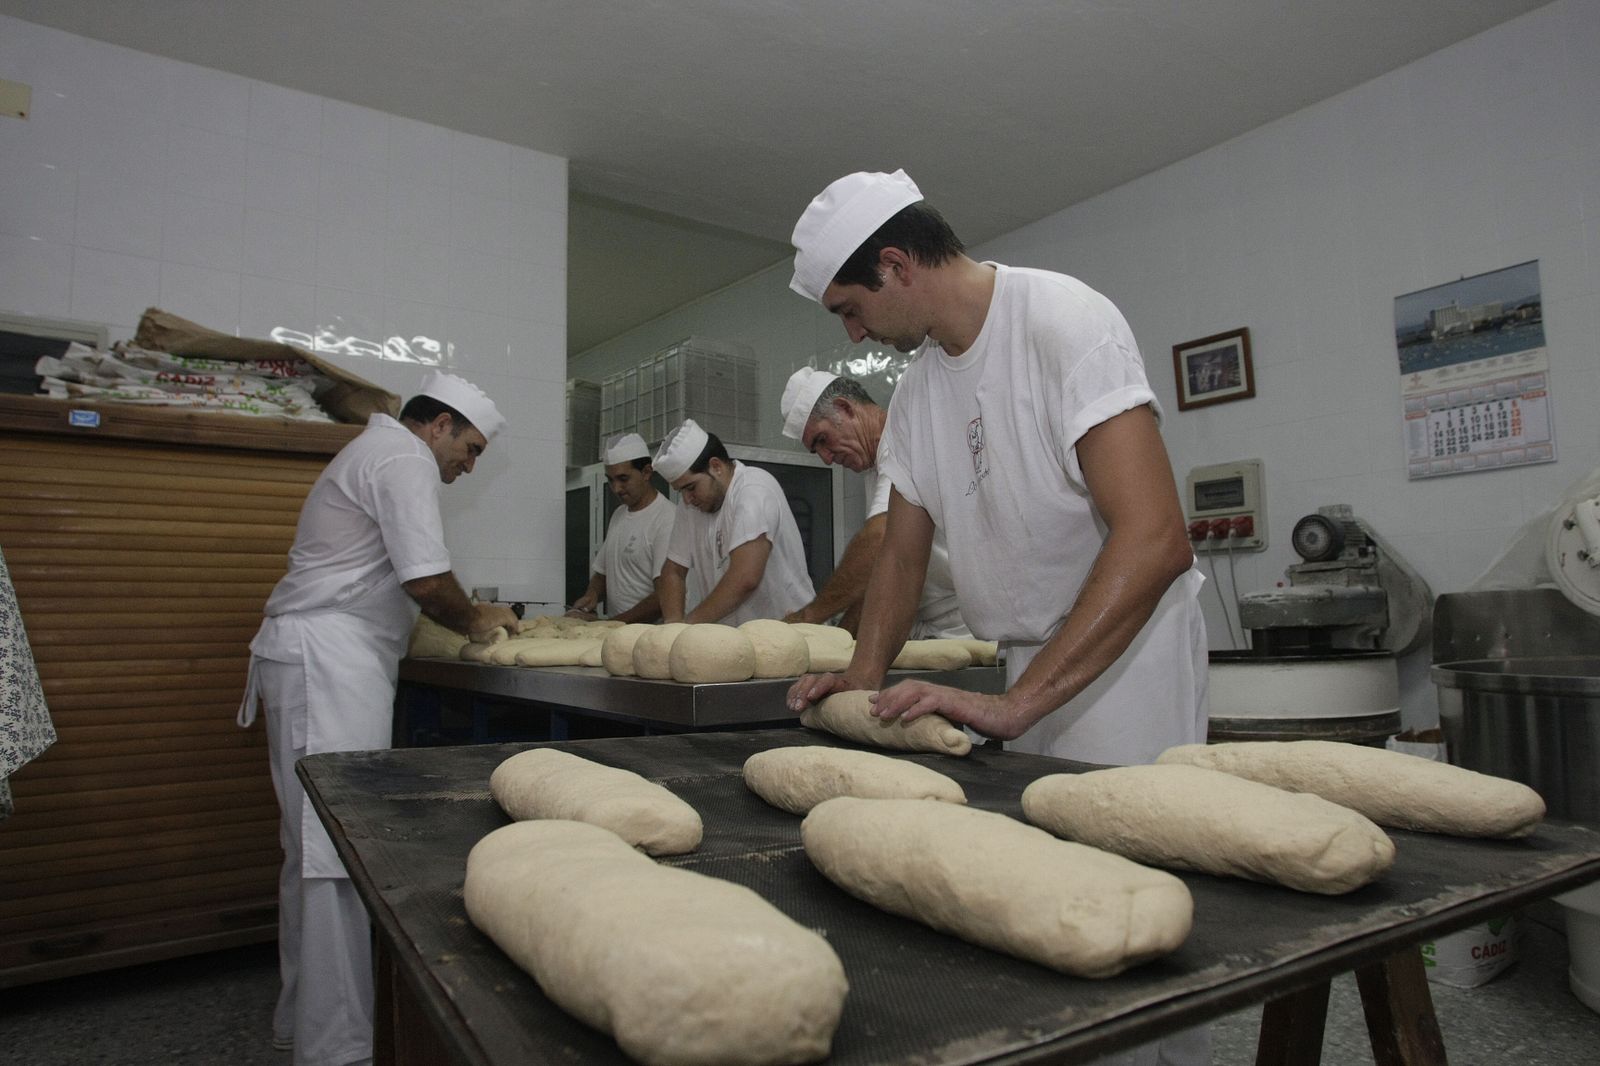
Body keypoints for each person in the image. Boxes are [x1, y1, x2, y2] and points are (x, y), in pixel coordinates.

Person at [783, 170, 1208, 1065]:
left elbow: (1155, 538)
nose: (853, 335)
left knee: (1132, 911)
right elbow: (901, 554)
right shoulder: (922, 391)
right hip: (1031, 658)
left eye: (851, 310)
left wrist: (1019, 705)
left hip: (1124, 655)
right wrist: (860, 681)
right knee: (1050, 906)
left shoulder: (1060, 321)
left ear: (895, 265)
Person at [237, 371, 518, 1066]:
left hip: (318, 660)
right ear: (439, 425)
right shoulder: (401, 457)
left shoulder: (379, 450)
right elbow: (425, 579)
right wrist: (477, 618)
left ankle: (303, 1021)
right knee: (334, 850)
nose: (469, 466)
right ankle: (337, 1047)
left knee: (311, 846)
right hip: (326, 664)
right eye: (471, 449)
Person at [778, 367, 968, 638]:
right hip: (929, 629)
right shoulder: (875, 470)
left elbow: (880, 539)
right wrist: (842, 640)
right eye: (815, 450)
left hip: (965, 628)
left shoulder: (902, 440)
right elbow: (877, 574)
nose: (826, 459)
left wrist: (808, 617)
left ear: (845, 408)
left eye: (822, 440)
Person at [654, 418, 815, 626]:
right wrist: (672, 625)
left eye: (691, 487)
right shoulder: (691, 507)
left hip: (791, 630)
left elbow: (745, 577)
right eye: (680, 491)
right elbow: (673, 571)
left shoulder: (753, 489)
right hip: (737, 639)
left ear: (716, 467)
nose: (686, 499)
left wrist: (688, 626)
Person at [568, 432, 675, 623]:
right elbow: (602, 572)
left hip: (651, 634)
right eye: (610, 480)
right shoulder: (619, 515)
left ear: (646, 472)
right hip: (618, 630)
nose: (616, 488)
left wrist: (612, 625)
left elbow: (664, 596)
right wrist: (592, 595)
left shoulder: (667, 519)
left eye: (623, 479)